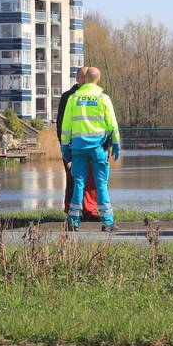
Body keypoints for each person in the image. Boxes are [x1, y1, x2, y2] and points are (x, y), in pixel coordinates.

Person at [60, 67, 121, 232]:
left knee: (78, 183)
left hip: (79, 148)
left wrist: (65, 147)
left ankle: (73, 221)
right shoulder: (103, 98)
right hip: (98, 148)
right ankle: (108, 223)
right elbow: (112, 123)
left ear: (84, 79)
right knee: (101, 184)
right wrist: (116, 142)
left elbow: (66, 126)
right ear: (98, 79)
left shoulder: (73, 98)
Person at [56, 67, 99, 219]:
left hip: (93, 144)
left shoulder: (97, 96)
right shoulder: (68, 97)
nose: (85, 79)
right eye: (82, 76)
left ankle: (90, 210)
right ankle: (72, 210)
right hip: (72, 146)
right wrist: (64, 145)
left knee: (92, 180)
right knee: (73, 178)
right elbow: (61, 123)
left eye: (87, 76)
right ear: (77, 79)